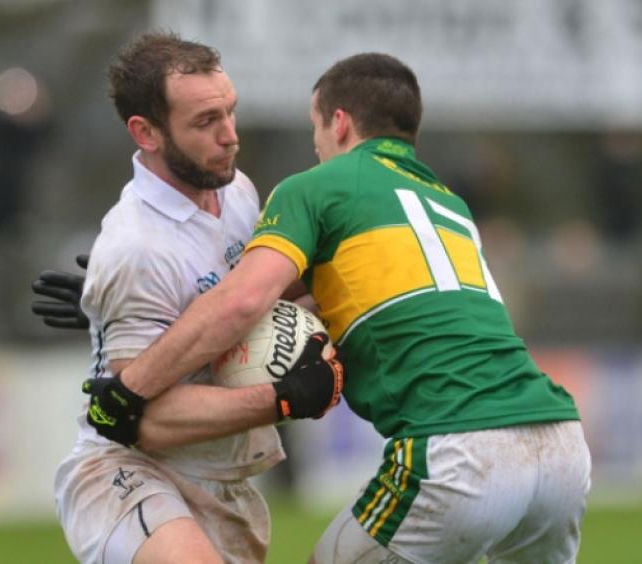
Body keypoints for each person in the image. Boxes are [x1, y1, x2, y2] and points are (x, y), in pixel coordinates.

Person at [83, 53, 592, 563]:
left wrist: (129, 389)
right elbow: (353, 296)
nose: (316, 144)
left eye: (315, 128)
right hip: (560, 444)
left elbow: (243, 298)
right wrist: (116, 298)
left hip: (460, 448)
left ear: (340, 122)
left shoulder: (315, 186)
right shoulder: (447, 205)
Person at [46, 31, 343, 564]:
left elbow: (255, 303)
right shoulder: (135, 247)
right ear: (146, 132)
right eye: (206, 122)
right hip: (129, 469)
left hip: (224, 476)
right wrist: (284, 396)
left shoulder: (237, 192)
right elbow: (142, 418)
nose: (230, 136)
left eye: (230, 112)